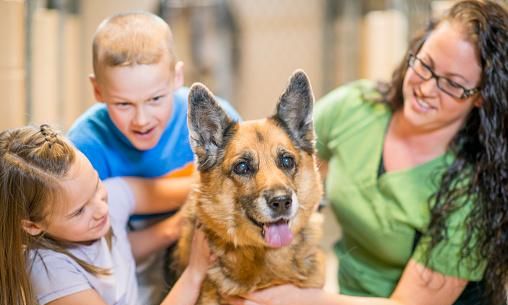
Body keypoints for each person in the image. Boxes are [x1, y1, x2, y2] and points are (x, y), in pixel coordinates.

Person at [228, 1, 508, 305]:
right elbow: (280, 163)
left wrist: (302, 299)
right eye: (425, 64)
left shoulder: (472, 191)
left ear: (481, 96)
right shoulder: (356, 108)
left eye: (452, 84)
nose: (426, 88)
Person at [66, 11, 241, 305]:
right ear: (98, 90)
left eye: (156, 99)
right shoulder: (85, 147)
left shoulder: (211, 119)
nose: (142, 120)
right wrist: (175, 226)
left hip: (209, 264)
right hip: (128, 275)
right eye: (123, 104)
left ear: (177, 77)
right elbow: (93, 256)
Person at [0, 124, 212, 305]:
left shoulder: (108, 199)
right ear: (33, 225)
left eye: (95, 184)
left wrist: (175, 227)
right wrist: (194, 272)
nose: (101, 208)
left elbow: (194, 185)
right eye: (79, 211)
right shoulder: (47, 271)